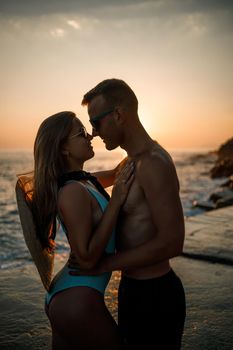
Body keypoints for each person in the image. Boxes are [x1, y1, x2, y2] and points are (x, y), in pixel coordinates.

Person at [70, 79, 186, 349]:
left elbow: (173, 241)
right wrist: (52, 181)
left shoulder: (154, 163)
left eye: (96, 123)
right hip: (133, 290)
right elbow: (92, 181)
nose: (94, 133)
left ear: (119, 115)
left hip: (156, 296)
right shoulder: (129, 162)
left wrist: (102, 265)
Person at [16, 111, 134, 349]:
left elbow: (117, 173)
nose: (90, 136)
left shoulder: (85, 181)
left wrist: (131, 135)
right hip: (77, 301)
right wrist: (116, 201)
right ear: (63, 149)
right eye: (81, 133)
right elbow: (87, 257)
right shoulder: (71, 192)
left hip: (70, 296)